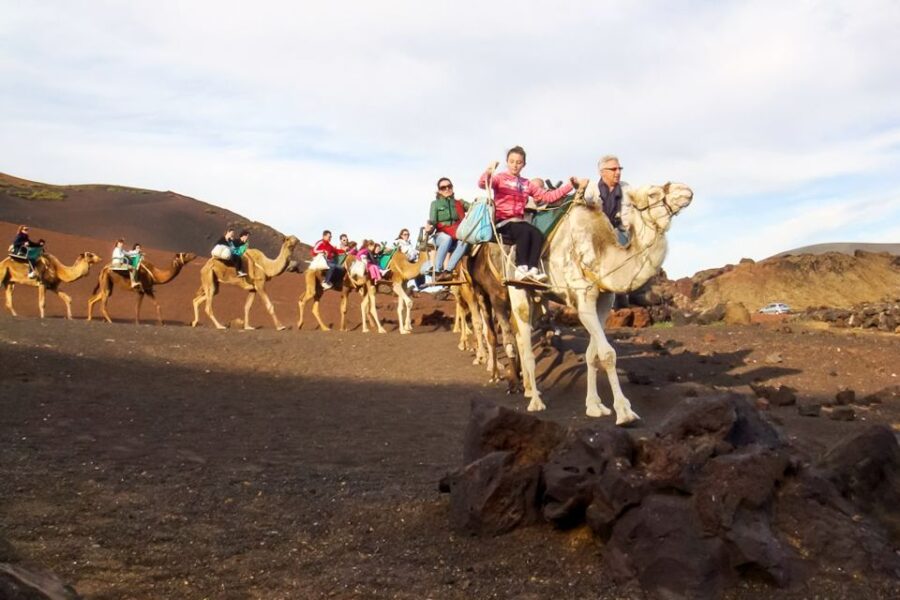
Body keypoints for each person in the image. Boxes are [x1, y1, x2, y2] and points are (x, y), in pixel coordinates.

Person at [478, 146, 576, 282]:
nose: (515, 165)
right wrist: (489, 171)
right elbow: (483, 183)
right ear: (507, 162)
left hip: (519, 221)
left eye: (519, 162)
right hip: (503, 222)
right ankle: (520, 268)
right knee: (524, 231)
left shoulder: (526, 183)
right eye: (512, 161)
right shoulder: (500, 178)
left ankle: (533, 269)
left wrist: (569, 186)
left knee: (537, 234)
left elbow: (548, 197)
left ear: (523, 164)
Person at [429, 178, 470, 282]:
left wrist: (483, 202)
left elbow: (473, 207)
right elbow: (433, 221)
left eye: (449, 186)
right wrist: (429, 227)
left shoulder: (459, 203)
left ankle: (448, 271)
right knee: (446, 238)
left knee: (465, 241)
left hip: (457, 234)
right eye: (443, 187)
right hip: (441, 235)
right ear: (439, 191)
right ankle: (437, 271)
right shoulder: (435, 204)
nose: (447, 189)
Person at [584, 155, 631, 245]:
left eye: (619, 169)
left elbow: (630, 217)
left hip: (620, 235)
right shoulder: (591, 188)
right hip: (595, 235)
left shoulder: (626, 188)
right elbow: (583, 205)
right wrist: (580, 190)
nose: (618, 172)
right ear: (602, 172)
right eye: (613, 169)